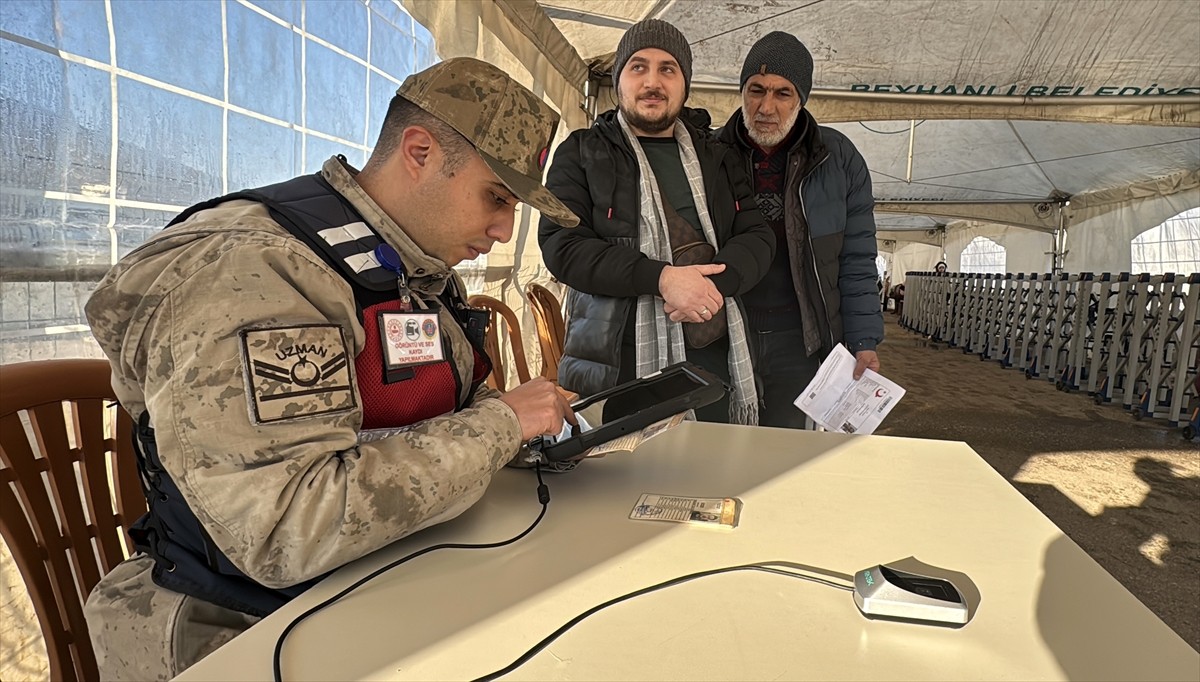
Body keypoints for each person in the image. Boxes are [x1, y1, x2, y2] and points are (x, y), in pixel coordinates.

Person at [82, 58, 579, 680]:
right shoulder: (257, 273)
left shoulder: (408, 271)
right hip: (237, 628)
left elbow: (450, 399)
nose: (505, 232)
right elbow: (287, 526)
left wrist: (523, 424)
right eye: (497, 198)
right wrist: (501, 426)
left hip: (380, 577)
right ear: (419, 152)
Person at [539, 19, 774, 425]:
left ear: (684, 84)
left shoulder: (717, 157)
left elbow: (757, 234)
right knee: (618, 481)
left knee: (706, 476)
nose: (653, 81)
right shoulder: (581, 153)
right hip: (617, 364)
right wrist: (662, 279)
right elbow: (564, 246)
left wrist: (709, 288)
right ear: (618, 81)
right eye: (638, 67)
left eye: (668, 69)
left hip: (711, 349)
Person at [716, 31, 884, 429]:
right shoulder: (712, 153)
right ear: (742, 92)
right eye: (756, 90)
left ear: (801, 99)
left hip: (800, 337)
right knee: (718, 447)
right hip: (726, 333)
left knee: (783, 452)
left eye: (782, 93)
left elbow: (857, 258)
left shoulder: (837, 159)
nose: (766, 107)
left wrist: (864, 341)